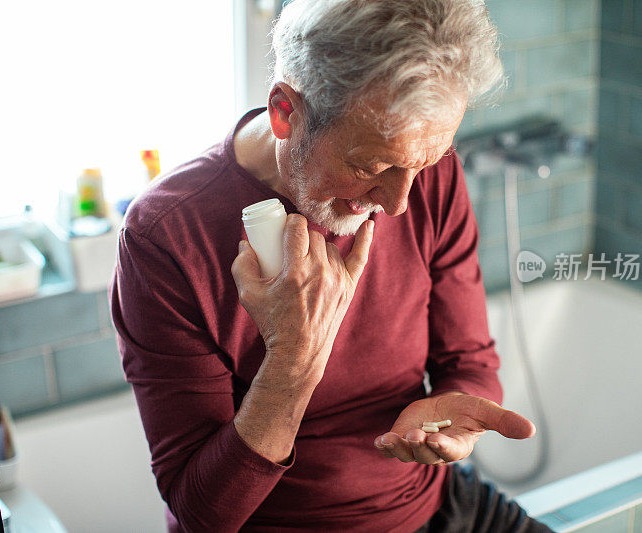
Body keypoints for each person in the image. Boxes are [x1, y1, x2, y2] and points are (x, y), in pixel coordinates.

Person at [109, 0, 555, 531]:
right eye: (370, 166)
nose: (397, 204)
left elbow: (471, 360)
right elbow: (204, 512)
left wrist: (456, 420)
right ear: (285, 113)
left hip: (437, 508)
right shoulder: (167, 235)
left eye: (424, 164)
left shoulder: (420, 169)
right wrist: (293, 360)